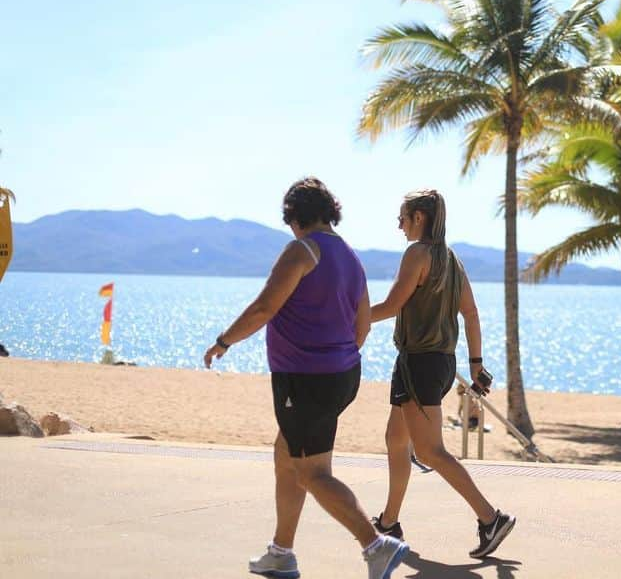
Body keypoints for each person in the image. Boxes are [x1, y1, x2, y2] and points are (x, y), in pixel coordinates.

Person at [203, 178, 408, 579]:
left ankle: (375, 546)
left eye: (290, 220)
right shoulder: (350, 256)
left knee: (312, 472)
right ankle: (281, 552)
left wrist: (223, 341)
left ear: (296, 216)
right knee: (287, 457)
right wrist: (338, 355)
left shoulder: (303, 250)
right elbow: (362, 324)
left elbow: (264, 308)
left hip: (305, 380)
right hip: (342, 375)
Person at [370, 189, 515, 558]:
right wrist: (476, 366)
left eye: (402, 218)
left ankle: (490, 518)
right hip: (438, 363)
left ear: (420, 218)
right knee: (395, 438)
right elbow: (471, 313)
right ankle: (389, 523)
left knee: (431, 451)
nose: (399, 226)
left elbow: (390, 305)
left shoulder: (417, 254)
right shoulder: (451, 260)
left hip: (419, 363)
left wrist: (346, 319)